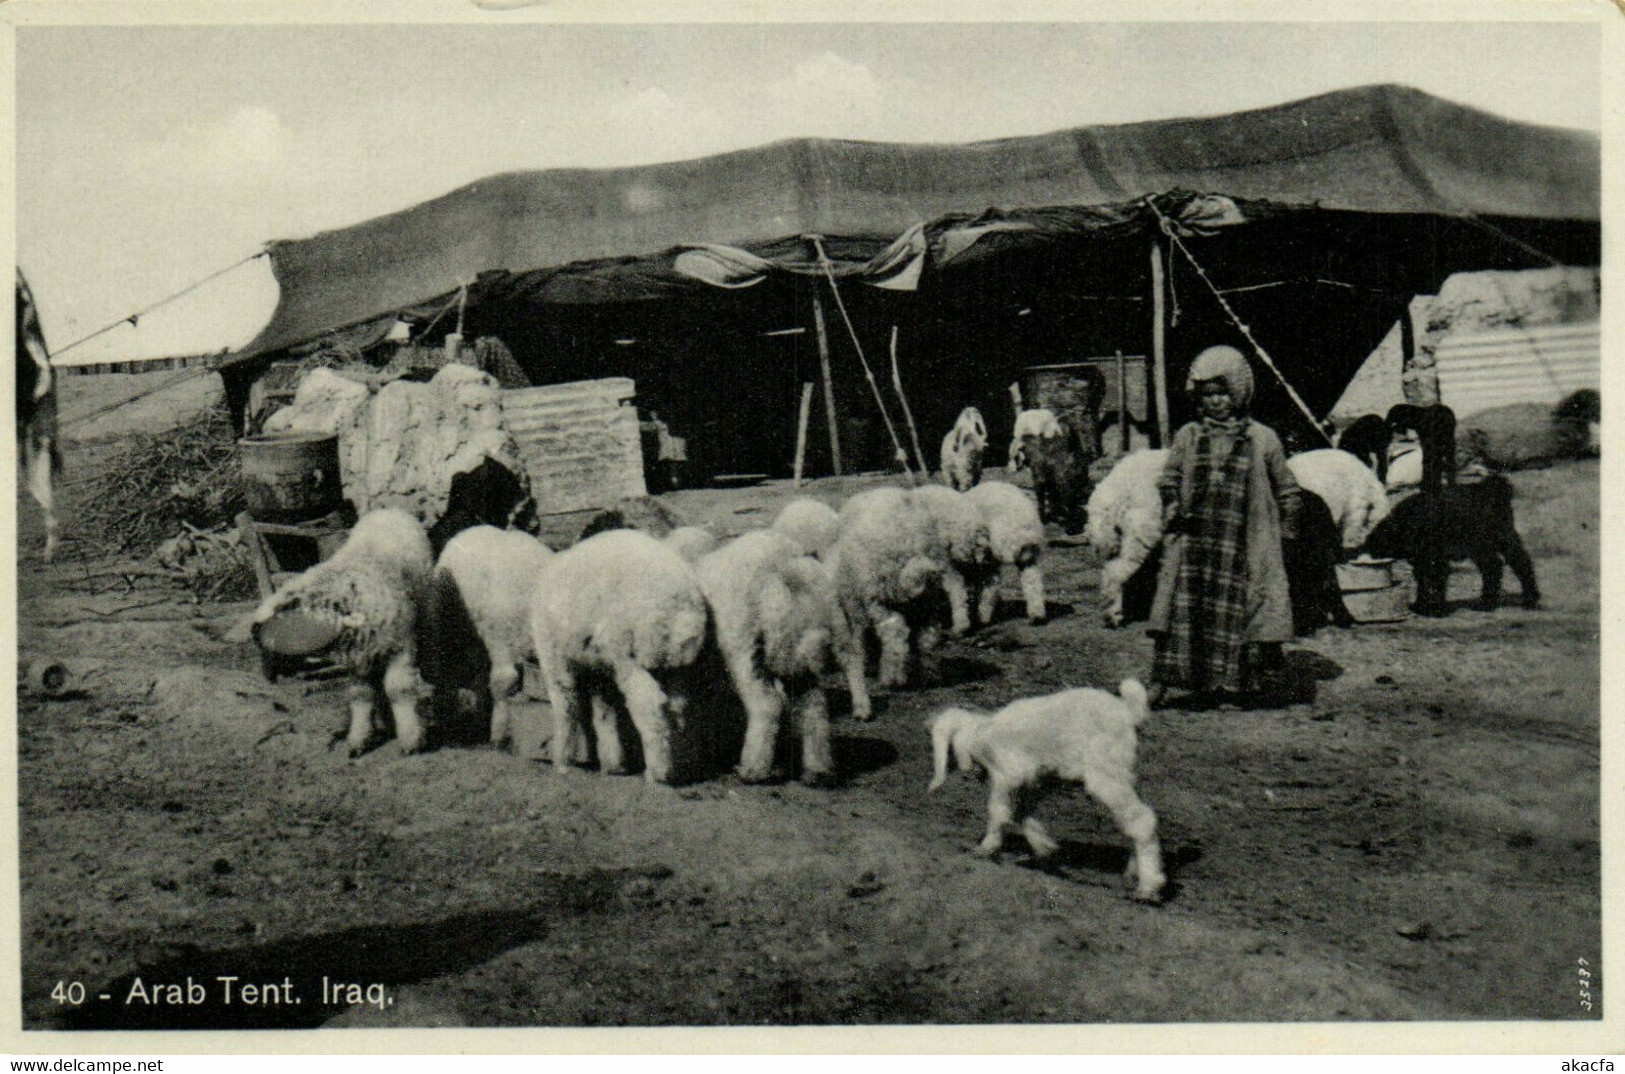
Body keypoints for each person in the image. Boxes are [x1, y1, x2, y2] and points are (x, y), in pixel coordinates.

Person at [1146, 345, 1301, 709]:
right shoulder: (1188, 436)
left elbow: (1288, 488)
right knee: (1184, 611)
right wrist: (1171, 502)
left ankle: (1233, 686)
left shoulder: (1263, 438)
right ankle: (1166, 682)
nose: (1215, 402)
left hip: (1242, 545)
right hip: (1195, 544)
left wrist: (1288, 533)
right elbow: (1169, 477)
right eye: (1207, 395)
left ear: (1239, 392)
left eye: (1222, 393)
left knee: (1241, 612)